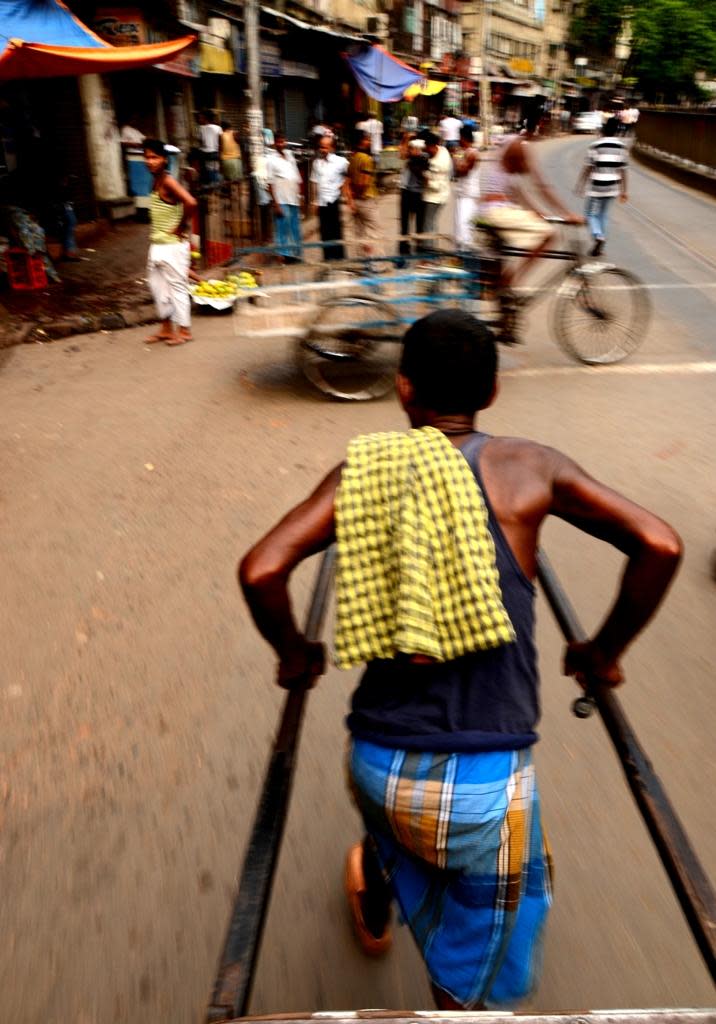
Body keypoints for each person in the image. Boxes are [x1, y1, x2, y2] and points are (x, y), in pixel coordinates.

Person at [239, 308, 682, 1010]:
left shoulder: (364, 468)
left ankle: (382, 890)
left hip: (377, 764)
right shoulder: (531, 466)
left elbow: (262, 568)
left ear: (403, 390)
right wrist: (603, 652)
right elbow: (659, 545)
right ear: (494, 391)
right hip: (483, 788)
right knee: (479, 957)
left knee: (395, 825)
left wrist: (296, 654)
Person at [478, 115, 584, 338]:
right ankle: (515, 279)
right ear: (534, 128)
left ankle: (506, 317)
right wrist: (566, 214)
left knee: (503, 260)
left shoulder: (509, 145)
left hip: (492, 209)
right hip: (496, 211)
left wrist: (536, 212)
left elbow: (517, 191)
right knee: (549, 234)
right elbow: (541, 185)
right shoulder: (520, 147)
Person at [142, 138, 197, 346]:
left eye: (154, 157)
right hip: (157, 244)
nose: (150, 161)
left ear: (164, 159)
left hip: (172, 246)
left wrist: (182, 226)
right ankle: (166, 329)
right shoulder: (155, 181)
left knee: (177, 287)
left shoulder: (168, 181)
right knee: (158, 287)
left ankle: (184, 331)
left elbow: (191, 202)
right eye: (147, 157)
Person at [575, 116, 628, 258]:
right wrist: (624, 191)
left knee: (590, 214)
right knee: (603, 214)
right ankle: (600, 244)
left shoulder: (596, 145)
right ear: (617, 131)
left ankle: (598, 236)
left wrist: (580, 185)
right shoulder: (622, 147)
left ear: (604, 129)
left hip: (597, 186)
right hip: (612, 186)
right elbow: (623, 170)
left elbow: (588, 167)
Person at [310, 134, 349, 261]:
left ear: (332, 148)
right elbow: (314, 182)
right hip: (321, 202)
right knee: (324, 232)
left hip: (333, 200)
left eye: (325, 147)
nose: (323, 150)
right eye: (321, 147)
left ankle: (339, 258)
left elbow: (348, 178)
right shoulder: (316, 163)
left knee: (336, 230)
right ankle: (327, 258)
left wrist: (347, 197)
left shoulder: (341, 162)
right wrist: (314, 201)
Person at [266, 132, 303, 263]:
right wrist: (275, 204)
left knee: (295, 228)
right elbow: (269, 183)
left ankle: (295, 254)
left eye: (283, 141)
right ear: (275, 143)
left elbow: (297, 177)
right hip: (281, 199)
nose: (281, 144)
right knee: (282, 228)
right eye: (279, 142)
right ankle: (282, 256)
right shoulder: (270, 159)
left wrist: (299, 196)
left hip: (293, 198)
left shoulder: (290, 156)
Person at [345, 132, 381, 261]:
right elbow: (364, 182)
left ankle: (361, 262)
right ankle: (374, 263)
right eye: (367, 139)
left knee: (359, 232)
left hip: (355, 201)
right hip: (366, 199)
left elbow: (347, 182)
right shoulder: (366, 159)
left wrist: (351, 201)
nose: (369, 142)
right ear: (362, 141)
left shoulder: (352, 158)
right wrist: (360, 193)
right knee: (372, 232)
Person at [397, 132, 427, 259]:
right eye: (411, 145)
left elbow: (423, 171)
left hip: (419, 192)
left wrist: (416, 155)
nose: (413, 148)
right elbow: (402, 154)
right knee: (404, 224)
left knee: (419, 224)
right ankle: (404, 251)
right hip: (406, 191)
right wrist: (405, 138)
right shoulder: (407, 155)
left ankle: (420, 250)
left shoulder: (424, 156)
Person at [421, 132, 452, 251]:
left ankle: (429, 251)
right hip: (440, 195)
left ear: (432, 145)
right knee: (432, 223)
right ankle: (431, 249)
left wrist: (425, 177)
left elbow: (435, 185)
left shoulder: (437, 163)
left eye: (427, 147)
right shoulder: (443, 150)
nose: (426, 150)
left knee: (428, 224)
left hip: (434, 196)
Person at [452, 124, 480, 250]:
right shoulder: (465, 152)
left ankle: (465, 254)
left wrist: (454, 159)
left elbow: (462, 171)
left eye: (460, 137)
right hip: (462, 193)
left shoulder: (472, 153)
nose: (458, 140)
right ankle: (460, 253)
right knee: (458, 227)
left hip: (468, 195)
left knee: (464, 227)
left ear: (464, 138)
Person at [197, 110, 222, 185]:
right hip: (215, 152)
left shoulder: (200, 128)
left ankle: (212, 187)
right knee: (215, 170)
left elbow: (200, 141)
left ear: (205, 118)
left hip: (205, 153)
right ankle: (216, 186)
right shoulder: (218, 128)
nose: (199, 120)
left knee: (209, 171)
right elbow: (221, 141)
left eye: (201, 118)